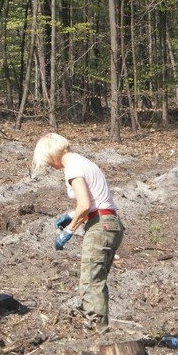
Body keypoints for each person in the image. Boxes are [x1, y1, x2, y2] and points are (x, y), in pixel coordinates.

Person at [32, 133, 125, 330]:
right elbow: (94, 201)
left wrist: (68, 230)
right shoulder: (83, 161)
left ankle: (99, 331)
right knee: (97, 280)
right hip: (110, 222)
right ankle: (99, 326)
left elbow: (83, 205)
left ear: (51, 155)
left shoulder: (72, 167)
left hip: (101, 226)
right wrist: (71, 214)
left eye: (47, 161)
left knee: (90, 282)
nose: (49, 166)